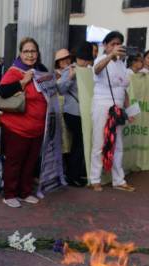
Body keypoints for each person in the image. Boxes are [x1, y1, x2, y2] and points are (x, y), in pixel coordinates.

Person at [0, 37, 48, 207]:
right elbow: (3, 91)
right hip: (17, 128)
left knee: (30, 162)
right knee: (14, 162)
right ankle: (10, 194)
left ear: (38, 53)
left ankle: (25, 192)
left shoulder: (41, 70)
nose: (30, 55)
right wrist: (23, 82)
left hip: (37, 128)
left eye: (33, 51)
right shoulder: (14, 71)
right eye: (26, 51)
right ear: (20, 53)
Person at [90, 31, 135, 192]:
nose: (116, 47)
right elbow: (96, 70)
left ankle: (118, 180)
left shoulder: (122, 65)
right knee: (100, 143)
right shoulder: (102, 59)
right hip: (102, 105)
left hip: (118, 108)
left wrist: (129, 112)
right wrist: (110, 56)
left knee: (118, 144)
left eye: (119, 44)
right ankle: (95, 179)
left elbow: (125, 91)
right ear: (106, 46)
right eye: (113, 44)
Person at [58, 42, 93, 187]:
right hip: (72, 112)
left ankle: (77, 173)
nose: (84, 61)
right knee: (78, 144)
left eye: (86, 59)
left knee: (81, 144)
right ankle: (72, 176)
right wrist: (70, 77)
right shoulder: (70, 69)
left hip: (84, 112)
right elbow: (60, 88)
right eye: (81, 58)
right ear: (76, 58)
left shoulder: (89, 71)